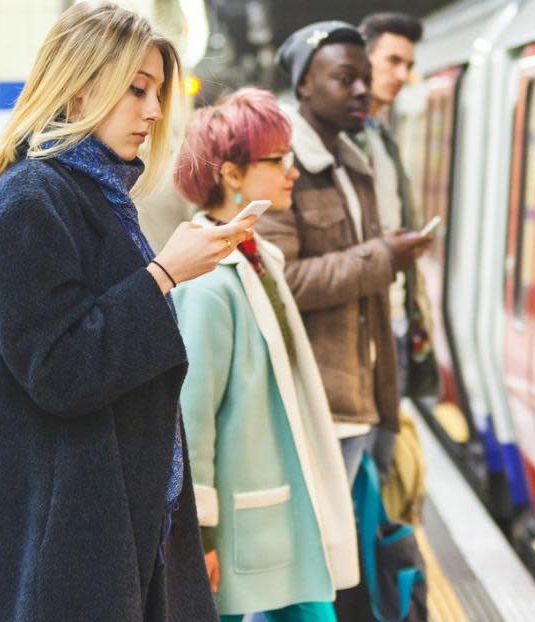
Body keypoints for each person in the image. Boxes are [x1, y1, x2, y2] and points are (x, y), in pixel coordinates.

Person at [0, 4, 255, 620]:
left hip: (111, 522)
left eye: (157, 93)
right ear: (81, 83)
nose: (152, 111)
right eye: (136, 89)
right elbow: (60, 371)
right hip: (64, 539)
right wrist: (166, 273)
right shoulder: (32, 200)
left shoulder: (91, 192)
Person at [172, 88, 359, 622]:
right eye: (276, 160)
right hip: (241, 522)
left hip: (272, 508)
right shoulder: (209, 283)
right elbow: (193, 415)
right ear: (230, 174)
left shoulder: (255, 255)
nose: (292, 171)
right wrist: (200, 531)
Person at [258, 21, 430, 484]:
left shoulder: (352, 166)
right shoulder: (280, 165)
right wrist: (384, 258)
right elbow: (280, 282)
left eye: (364, 79)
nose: (362, 90)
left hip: (363, 396)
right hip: (318, 407)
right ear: (305, 84)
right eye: (344, 78)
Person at [355, 12, 440, 479]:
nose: (403, 75)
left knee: (381, 467)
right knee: (366, 471)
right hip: (366, 334)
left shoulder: (380, 137)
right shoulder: (341, 142)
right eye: (392, 61)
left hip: (396, 324)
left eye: (408, 65)